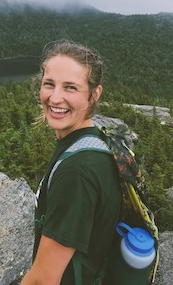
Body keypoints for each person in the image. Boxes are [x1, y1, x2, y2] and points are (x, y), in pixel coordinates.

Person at [21, 41, 122, 285]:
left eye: (70, 88)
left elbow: (43, 280)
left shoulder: (77, 171)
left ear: (94, 94)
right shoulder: (95, 139)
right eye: (49, 84)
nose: (55, 98)